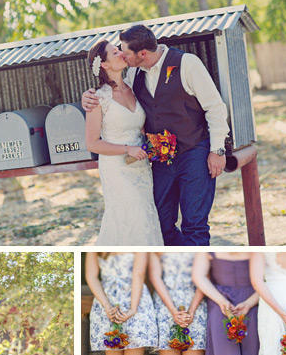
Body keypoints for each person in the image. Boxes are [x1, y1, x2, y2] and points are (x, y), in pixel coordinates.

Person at [83, 24, 229, 246]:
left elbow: (215, 108)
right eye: (117, 51)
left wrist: (217, 150)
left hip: (194, 153)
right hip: (160, 160)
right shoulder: (133, 75)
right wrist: (87, 96)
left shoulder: (187, 64)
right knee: (161, 225)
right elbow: (111, 96)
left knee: (194, 224)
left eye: (124, 51)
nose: (122, 55)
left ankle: (192, 268)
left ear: (142, 54)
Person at [85, 39, 163, 246]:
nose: (121, 53)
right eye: (114, 52)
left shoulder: (135, 87)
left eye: (119, 50)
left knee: (145, 216)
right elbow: (92, 144)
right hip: (116, 168)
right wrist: (128, 148)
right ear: (104, 64)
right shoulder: (98, 98)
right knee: (129, 216)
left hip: (141, 167)